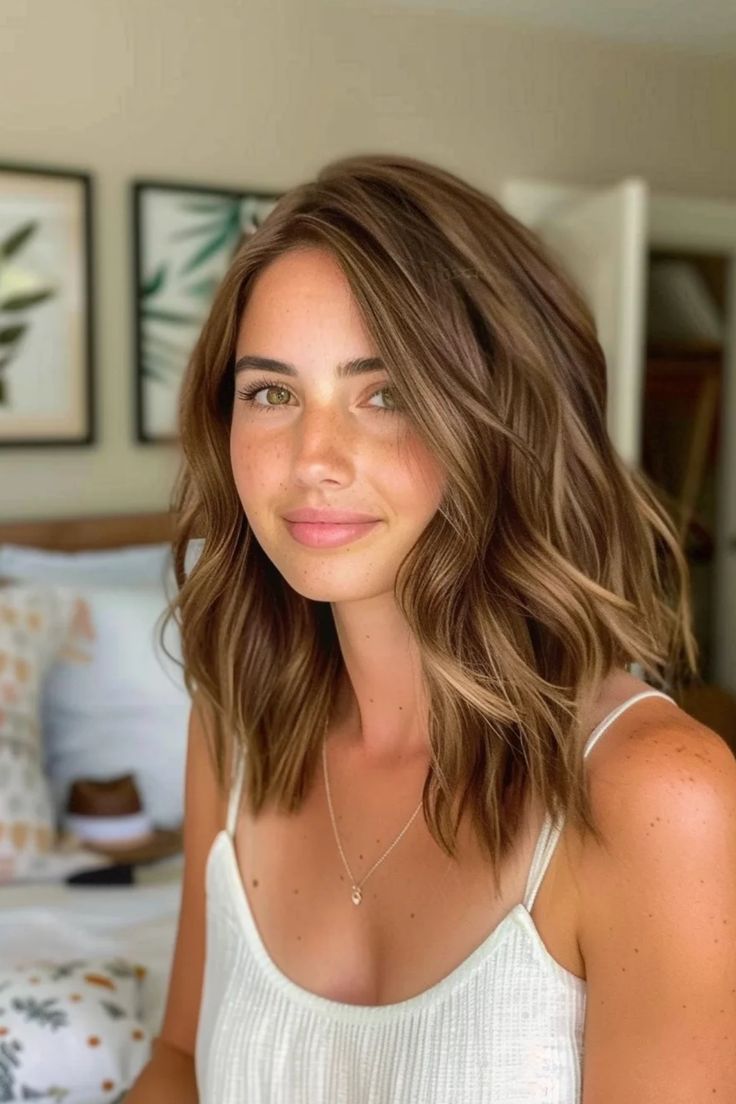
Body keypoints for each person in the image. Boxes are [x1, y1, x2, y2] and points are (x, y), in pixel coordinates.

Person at [125, 153, 736, 1103]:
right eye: (272, 393)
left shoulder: (656, 793)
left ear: (504, 421)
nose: (312, 460)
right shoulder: (237, 727)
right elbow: (177, 1069)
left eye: (388, 393)